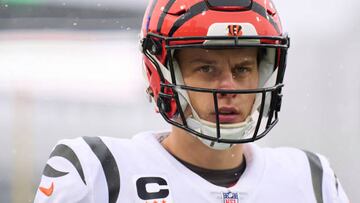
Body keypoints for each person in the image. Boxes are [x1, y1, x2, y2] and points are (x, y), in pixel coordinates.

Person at [34, 0, 349, 202]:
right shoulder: (98, 172)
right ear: (161, 74)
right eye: (206, 68)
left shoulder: (311, 178)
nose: (229, 87)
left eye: (242, 68)